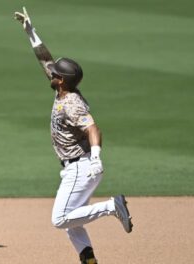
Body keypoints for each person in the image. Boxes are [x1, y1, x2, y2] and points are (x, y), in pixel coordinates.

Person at [14, 8, 133, 264]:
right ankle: (89, 261)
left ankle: (113, 206)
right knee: (73, 221)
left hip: (82, 167)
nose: (51, 72)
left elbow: (93, 128)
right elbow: (45, 59)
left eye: (55, 73)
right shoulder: (62, 88)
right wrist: (30, 31)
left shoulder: (72, 104)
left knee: (60, 219)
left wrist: (97, 159)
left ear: (61, 81)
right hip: (75, 167)